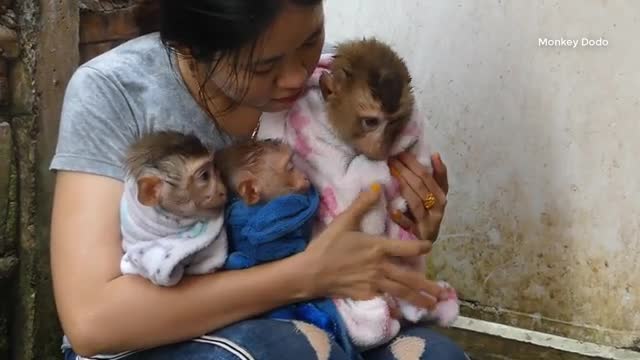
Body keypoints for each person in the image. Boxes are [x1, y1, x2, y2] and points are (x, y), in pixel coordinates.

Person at [49, 1, 468, 359]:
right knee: (291, 350)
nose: (295, 75)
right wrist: (304, 275)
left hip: (321, 311)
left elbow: (377, 208)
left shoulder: (332, 89)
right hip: (153, 337)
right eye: (263, 65)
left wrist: (417, 216)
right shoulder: (115, 91)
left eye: (310, 40)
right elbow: (91, 320)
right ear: (193, 47)